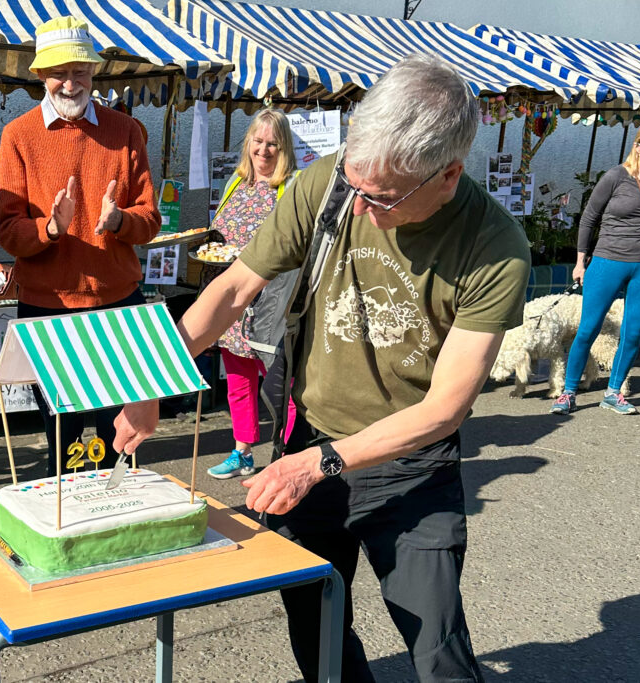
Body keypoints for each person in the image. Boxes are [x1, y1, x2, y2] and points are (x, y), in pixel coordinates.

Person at [113, 53, 531, 682]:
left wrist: (323, 462)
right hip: (308, 437)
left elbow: (445, 409)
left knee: (436, 644)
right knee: (314, 624)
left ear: (449, 174)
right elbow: (233, 289)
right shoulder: (332, 181)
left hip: (410, 464)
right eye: (355, 185)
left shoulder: (494, 246)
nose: (360, 206)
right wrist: (151, 383)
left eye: (383, 197)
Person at [0, 16, 160, 476]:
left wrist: (120, 220)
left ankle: (116, 524)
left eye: (81, 72)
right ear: (41, 76)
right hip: (48, 308)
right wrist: (49, 229)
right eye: (60, 72)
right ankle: (68, 530)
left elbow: (150, 219)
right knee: (62, 436)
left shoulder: (126, 130)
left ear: (94, 73)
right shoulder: (18, 135)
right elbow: (8, 230)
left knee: (120, 436)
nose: (70, 83)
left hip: (118, 305)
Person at [204, 109, 298, 479]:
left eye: (272, 143)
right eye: (258, 142)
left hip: (270, 306)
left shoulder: (291, 188)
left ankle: (288, 455)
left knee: (281, 386)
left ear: (283, 147)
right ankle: (242, 452)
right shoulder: (236, 182)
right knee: (239, 384)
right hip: (233, 304)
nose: (263, 150)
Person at [550, 121, 640, 416]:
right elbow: (589, 218)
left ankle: (614, 392)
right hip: (607, 261)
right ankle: (569, 392)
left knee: (633, 332)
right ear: (637, 147)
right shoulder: (616, 176)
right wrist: (580, 261)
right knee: (588, 329)